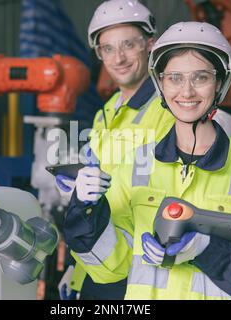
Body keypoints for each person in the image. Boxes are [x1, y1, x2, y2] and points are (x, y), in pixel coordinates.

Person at [63, 21, 231, 300]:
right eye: (175, 78)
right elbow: (109, 267)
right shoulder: (135, 164)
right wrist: (84, 210)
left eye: (201, 77)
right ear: (161, 83)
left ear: (220, 83)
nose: (187, 92)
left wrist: (206, 250)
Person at [55, 0, 175, 300]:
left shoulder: (171, 110)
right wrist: (76, 267)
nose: (118, 58)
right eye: (107, 48)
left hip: (145, 273)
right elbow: (98, 203)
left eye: (128, 45)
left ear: (150, 44)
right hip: (100, 268)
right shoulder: (105, 114)